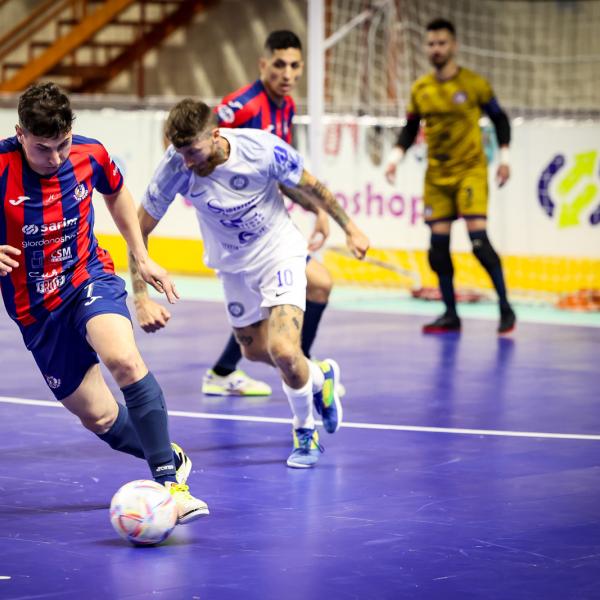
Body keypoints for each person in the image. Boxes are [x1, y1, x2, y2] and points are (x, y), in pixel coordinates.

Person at [0, 82, 208, 523]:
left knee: (124, 360)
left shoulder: (90, 154)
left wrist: (142, 255)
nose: (55, 158)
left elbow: (116, 193)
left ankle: (171, 484)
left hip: (86, 277)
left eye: (62, 144)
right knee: (99, 418)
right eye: (42, 148)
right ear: (20, 134)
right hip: (36, 313)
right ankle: (167, 452)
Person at [130, 99, 369, 468]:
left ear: (215, 134)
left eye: (193, 151)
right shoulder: (175, 166)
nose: (188, 161)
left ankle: (305, 433)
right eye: (181, 152)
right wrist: (141, 297)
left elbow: (312, 186)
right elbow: (138, 228)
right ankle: (321, 377)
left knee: (285, 351)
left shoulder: (261, 148)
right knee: (255, 352)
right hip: (233, 268)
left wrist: (350, 227)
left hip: (279, 253)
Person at [208, 30, 334, 396]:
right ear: (263, 64)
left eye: (295, 65)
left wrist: (318, 208)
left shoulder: (287, 107)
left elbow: (285, 175)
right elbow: (184, 142)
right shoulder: (242, 106)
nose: (288, 73)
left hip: (268, 226)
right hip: (239, 231)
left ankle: (291, 368)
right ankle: (304, 372)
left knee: (316, 285)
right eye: (280, 64)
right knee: (307, 288)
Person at [385, 18, 516, 335]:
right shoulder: (421, 89)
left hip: (470, 170)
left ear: (453, 45)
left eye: (442, 43)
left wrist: (504, 158)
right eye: (431, 44)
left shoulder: (473, 84)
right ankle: (450, 313)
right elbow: (411, 127)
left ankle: (505, 306)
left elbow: (500, 119)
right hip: (437, 175)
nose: (436, 49)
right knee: (437, 248)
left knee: (479, 242)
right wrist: (394, 158)